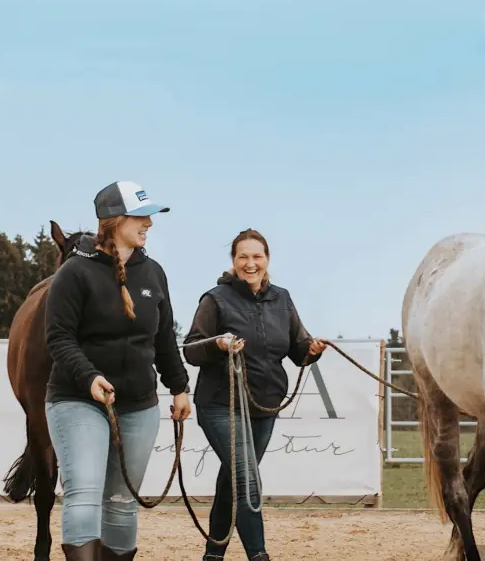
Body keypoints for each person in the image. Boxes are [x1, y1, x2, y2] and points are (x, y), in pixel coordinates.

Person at [44, 180, 192, 561]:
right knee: (85, 492)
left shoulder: (154, 273)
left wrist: (178, 387)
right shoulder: (75, 274)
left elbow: (163, 338)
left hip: (139, 405)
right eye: (141, 216)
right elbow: (59, 338)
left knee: (122, 501)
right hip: (78, 399)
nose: (149, 224)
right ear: (114, 220)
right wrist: (89, 376)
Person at [182, 228, 327, 561]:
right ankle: (259, 556)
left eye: (256, 256)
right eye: (243, 256)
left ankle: (213, 555)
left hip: (265, 406)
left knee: (234, 480)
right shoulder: (215, 299)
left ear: (267, 259)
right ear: (233, 261)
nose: (250, 263)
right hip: (221, 404)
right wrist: (218, 345)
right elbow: (191, 349)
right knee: (246, 478)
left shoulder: (283, 298)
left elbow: (297, 348)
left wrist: (313, 349)